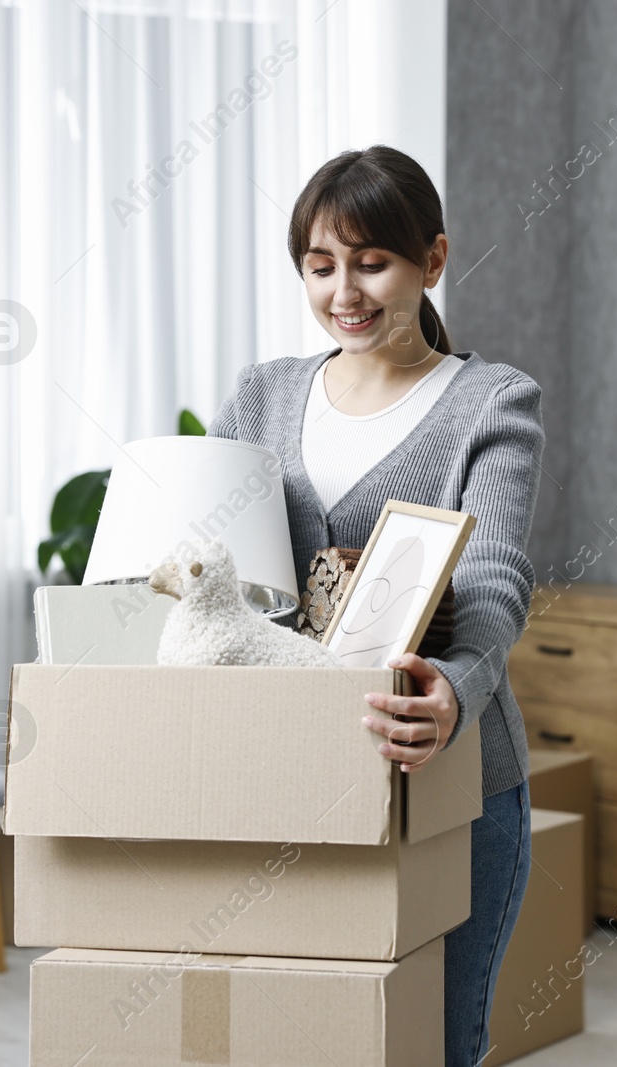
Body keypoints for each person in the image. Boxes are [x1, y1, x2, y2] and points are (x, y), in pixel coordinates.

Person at [205, 144, 546, 1064]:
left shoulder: (491, 402)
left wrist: (454, 693)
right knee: (303, 1037)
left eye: (371, 261)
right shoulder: (261, 396)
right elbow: (219, 563)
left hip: (453, 775)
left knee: (433, 1042)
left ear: (432, 260)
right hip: (291, 772)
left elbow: (493, 585)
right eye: (320, 267)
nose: (343, 291)